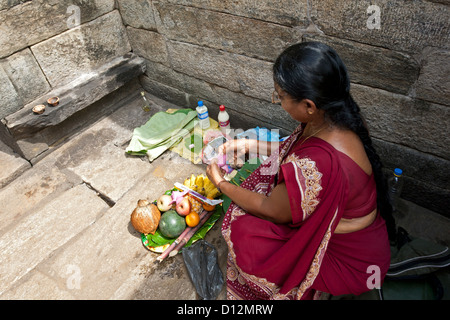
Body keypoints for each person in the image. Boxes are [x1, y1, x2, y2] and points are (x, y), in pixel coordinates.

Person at [206, 41, 396, 300]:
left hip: (349, 261)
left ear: (308, 105)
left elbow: (270, 209)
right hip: (362, 239)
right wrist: (252, 144)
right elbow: (294, 145)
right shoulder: (336, 117)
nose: (277, 101)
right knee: (262, 181)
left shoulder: (317, 164)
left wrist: (222, 184)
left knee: (245, 231)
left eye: (281, 96)